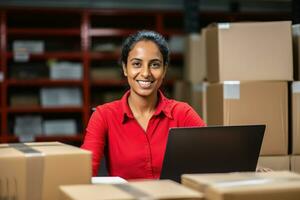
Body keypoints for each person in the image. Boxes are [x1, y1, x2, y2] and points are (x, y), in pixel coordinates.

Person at [81, 30, 206, 180]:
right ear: (125, 68)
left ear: (164, 70)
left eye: (155, 64)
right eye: (136, 64)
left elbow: (211, 157)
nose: (146, 73)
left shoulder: (182, 113)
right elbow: (86, 170)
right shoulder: (103, 116)